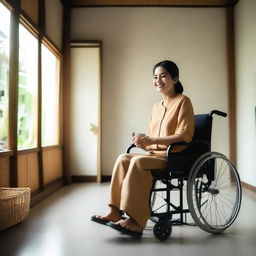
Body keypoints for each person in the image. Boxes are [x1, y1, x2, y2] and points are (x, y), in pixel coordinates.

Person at [91, 60, 195, 237]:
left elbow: (184, 136)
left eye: (163, 76)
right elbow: (150, 137)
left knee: (138, 162)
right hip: (154, 154)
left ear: (175, 78)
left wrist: (152, 140)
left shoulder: (183, 102)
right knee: (123, 158)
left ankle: (136, 220)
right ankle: (115, 210)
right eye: (155, 77)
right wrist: (143, 142)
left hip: (172, 157)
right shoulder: (156, 107)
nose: (158, 80)